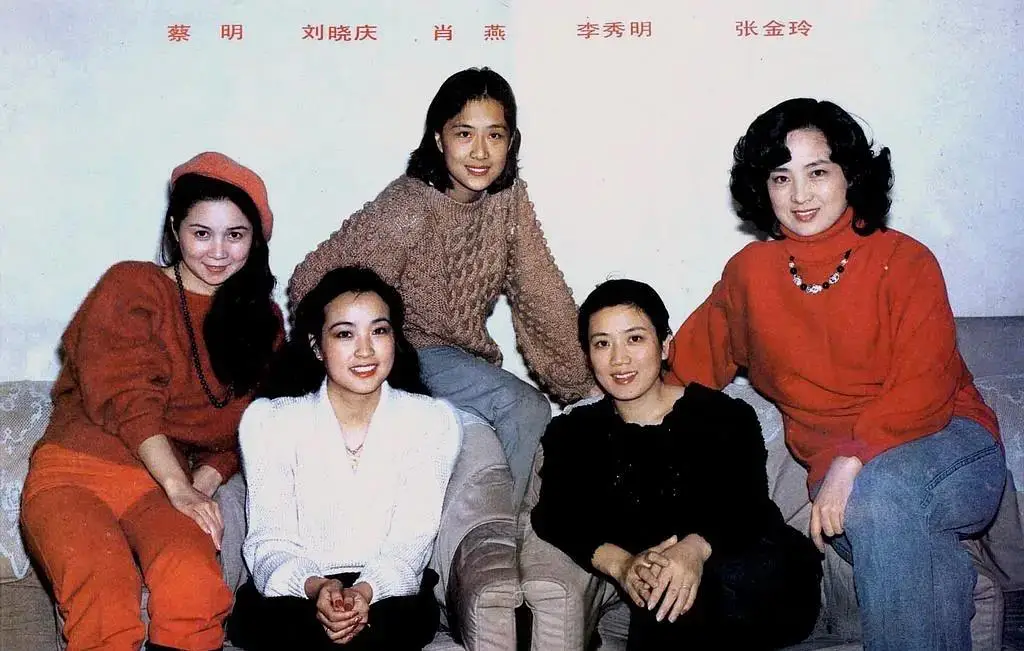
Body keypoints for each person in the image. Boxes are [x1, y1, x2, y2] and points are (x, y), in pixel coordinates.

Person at [667, 98, 1006, 651]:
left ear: (850, 175)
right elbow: (685, 367)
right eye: (781, 177)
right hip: (848, 492)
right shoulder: (750, 275)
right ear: (763, 188)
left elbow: (924, 386)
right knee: (896, 524)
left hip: (951, 446)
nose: (800, 195)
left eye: (818, 172)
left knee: (882, 493)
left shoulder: (906, 260)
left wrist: (852, 461)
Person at [287, 67, 594, 503]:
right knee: (523, 407)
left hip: (463, 357)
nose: (481, 152)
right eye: (464, 134)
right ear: (438, 138)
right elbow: (310, 283)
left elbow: (540, 292)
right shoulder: (408, 207)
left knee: (525, 426)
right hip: (411, 352)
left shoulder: (507, 200)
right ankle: (498, 532)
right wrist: (369, 360)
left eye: (495, 135)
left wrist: (585, 384)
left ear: (511, 142)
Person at [20, 152, 281, 651]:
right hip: (76, 472)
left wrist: (203, 483)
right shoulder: (132, 284)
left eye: (236, 234)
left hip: (159, 488)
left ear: (256, 239)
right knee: (104, 587)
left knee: (195, 585)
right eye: (201, 233)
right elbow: (128, 398)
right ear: (176, 228)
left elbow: (254, 422)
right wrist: (179, 488)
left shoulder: (262, 322)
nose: (218, 252)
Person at [531, 279, 822, 650]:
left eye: (635, 339)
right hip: (667, 591)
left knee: (676, 592)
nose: (619, 359)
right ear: (589, 355)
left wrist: (693, 551)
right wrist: (621, 565)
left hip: (756, 571)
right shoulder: (574, 432)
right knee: (666, 594)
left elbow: (745, 505)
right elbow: (554, 514)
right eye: (602, 343)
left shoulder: (723, 415)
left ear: (665, 345)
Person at [228, 266, 461, 651]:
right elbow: (270, 539)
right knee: (289, 626)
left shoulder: (431, 421)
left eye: (379, 331)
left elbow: (412, 541)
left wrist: (365, 592)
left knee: (385, 627)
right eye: (345, 334)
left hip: (387, 595)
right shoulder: (270, 421)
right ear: (316, 346)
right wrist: (319, 588)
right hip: (298, 592)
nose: (365, 350)